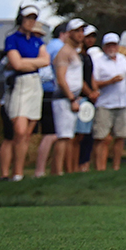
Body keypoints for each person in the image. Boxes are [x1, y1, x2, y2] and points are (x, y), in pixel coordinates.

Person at [0, 6, 50, 182]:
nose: (31, 22)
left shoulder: (36, 41)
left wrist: (26, 62)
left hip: (35, 83)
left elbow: (45, 60)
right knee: (19, 130)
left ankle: (18, 173)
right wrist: (32, 63)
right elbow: (16, 64)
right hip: (20, 84)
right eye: (28, 18)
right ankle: (10, 171)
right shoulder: (12, 39)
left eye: (33, 18)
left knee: (27, 132)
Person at [40, 19, 87, 177]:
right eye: (77, 31)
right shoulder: (64, 52)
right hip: (64, 99)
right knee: (63, 136)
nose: (81, 34)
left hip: (72, 97)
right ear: (69, 33)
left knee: (68, 136)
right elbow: (61, 78)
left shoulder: (74, 51)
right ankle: (57, 171)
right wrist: (71, 98)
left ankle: (61, 171)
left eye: (82, 31)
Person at [88, 32, 126, 171]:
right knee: (101, 138)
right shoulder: (98, 62)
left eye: (114, 45)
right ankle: (100, 167)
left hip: (123, 102)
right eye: (109, 45)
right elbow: (94, 83)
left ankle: (116, 166)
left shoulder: (123, 60)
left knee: (120, 136)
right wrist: (109, 81)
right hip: (105, 103)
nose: (111, 48)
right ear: (104, 47)